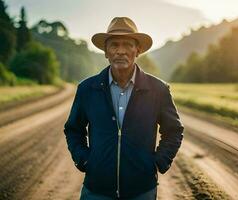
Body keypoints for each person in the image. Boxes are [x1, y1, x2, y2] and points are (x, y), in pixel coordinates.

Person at [64, 17, 184, 200]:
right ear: (106, 52)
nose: (121, 51)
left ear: (138, 50)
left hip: (142, 191)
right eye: (114, 45)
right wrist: (85, 159)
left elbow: (174, 131)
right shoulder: (87, 89)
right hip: (96, 190)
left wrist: (159, 162)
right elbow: (73, 129)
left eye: (128, 44)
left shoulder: (158, 90)